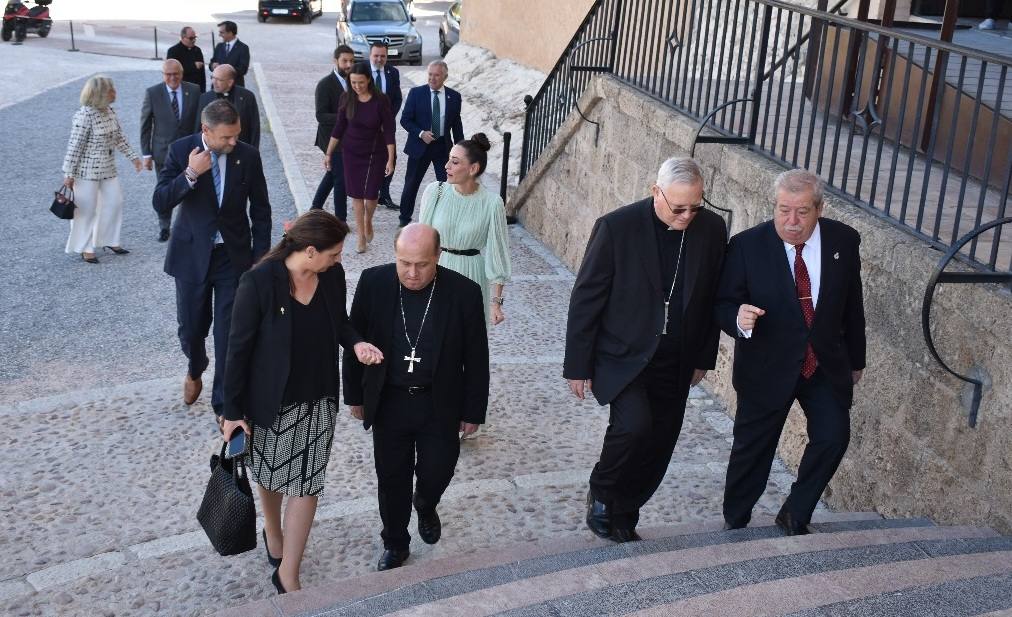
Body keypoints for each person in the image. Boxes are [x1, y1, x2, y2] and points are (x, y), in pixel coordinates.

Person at [564, 157, 727, 543]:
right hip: (623, 354)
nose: (688, 215)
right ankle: (603, 491)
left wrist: (703, 357)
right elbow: (586, 298)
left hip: (677, 357)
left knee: (660, 440)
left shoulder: (711, 229)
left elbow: (711, 297)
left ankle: (626, 508)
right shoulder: (616, 227)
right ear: (656, 192)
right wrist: (577, 364)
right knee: (634, 426)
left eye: (696, 206)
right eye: (679, 207)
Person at [222, 210, 384, 594]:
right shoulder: (258, 282)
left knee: (307, 484)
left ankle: (287, 574)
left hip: (319, 398)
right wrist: (231, 412)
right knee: (271, 473)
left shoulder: (331, 277)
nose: (338, 260)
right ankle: (273, 532)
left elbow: (340, 322)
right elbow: (237, 350)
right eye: (334, 253)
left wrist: (357, 343)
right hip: (270, 402)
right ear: (310, 251)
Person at [716, 168, 866, 536]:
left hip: (823, 365)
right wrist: (738, 316)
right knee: (753, 451)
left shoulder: (843, 242)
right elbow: (722, 302)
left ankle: (795, 513)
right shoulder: (746, 246)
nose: (792, 221)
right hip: (767, 365)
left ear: (819, 209)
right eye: (783, 210)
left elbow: (853, 305)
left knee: (833, 437)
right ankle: (735, 521)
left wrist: (856, 361)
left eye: (801, 211)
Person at [343, 224, 489, 571]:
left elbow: (477, 356)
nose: (412, 272)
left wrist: (473, 410)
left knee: (438, 470)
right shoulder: (373, 282)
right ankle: (395, 541)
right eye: (404, 262)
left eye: (421, 264)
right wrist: (354, 395)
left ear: (437, 256)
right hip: (389, 401)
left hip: (439, 402)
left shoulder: (464, 292)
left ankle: (425, 501)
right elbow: (354, 341)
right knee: (391, 477)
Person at [153, 99, 272, 425]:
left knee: (229, 334)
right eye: (226, 137)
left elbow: (261, 210)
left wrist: (260, 258)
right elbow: (160, 200)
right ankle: (195, 366)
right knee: (192, 330)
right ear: (206, 130)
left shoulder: (247, 156)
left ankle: (225, 406)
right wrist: (191, 174)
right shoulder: (181, 151)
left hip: (232, 259)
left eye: (237, 135)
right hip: (191, 256)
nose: (233, 143)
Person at [419, 133, 511, 326]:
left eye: (455, 162)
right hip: (437, 272)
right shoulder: (435, 192)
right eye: (448, 160)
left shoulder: (492, 204)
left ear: (473, 168)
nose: (447, 166)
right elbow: (421, 242)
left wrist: (496, 303)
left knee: (467, 344)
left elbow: (497, 253)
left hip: (472, 277)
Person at [61, 75, 143, 264]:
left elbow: (119, 138)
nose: (115, 92)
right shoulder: (84, 115)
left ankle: (109, 240)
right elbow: (75, 146)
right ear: (99, 93)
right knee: (86, 210)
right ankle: (85, 247)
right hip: (85, 173)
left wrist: (134, 158)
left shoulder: (110, 111)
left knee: (115, 202)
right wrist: (68, 174)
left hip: (108, 169)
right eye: (111, 90)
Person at [323, 62, 396, 254]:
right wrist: (329, 153)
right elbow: (339, 127)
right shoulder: (347, 98)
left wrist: (391, 158)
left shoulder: (381, 100)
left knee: (371, 195)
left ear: (369, 80)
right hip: (351, 153)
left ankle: (368, 221)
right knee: (356, 196)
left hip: (375, 152)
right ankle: (361, 236)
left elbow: (389, 130)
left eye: (360, 82)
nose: (357, 86)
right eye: (353, 82)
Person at [397, 60, 464, 227]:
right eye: (430, 75)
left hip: (442, 147)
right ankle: (404, 219)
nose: (432, 78)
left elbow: (456, 125)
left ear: (445, 76)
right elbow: (405, 120)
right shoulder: (416, 93)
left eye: (437, 75)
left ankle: (446, 218)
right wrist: (420, 133)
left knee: (447, 185)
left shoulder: (454, 97)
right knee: (412, 183)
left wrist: (461, 150)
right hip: (420, 146)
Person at [141, 59, 200, 242]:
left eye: (176, 74)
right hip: (162, 153)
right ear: (163, 74)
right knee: (165, 190)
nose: (173, 78)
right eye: (168, 74)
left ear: (182, 74)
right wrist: (147, 154)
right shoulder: (153, 93)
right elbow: (145, 125)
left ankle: (190, 226)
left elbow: (199, 121)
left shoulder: (194, 90)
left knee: (193, 189)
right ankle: (164, 227)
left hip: (191, 152)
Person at [311, 45, 355, 218]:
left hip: (349, 139)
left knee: (333, 173)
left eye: (351, 61)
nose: (348, 64)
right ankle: (340, 220)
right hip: (330, 139)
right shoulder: (324, 84)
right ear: (335, 61)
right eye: (344, 61)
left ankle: (315, 207)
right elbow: (320, 116)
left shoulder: (355, 81)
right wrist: (345, 118)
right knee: (340, 179)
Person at [368, 41, 402, 210]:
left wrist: (387, 119)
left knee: (391, 158)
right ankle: (366, 194)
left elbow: (397, 99)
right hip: (365, 127)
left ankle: (385, 194)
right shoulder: (361, 71)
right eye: (376, 56)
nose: (379, 59)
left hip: (386, 127)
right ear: (370, 55)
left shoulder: (393, 72)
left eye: (383, 56)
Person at [195, 64, 260, 149]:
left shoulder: (247, 97)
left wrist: (254, 152)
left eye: (219, 80)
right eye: (213, 78)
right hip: (214, 150)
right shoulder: (205, 98)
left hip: (240, 149)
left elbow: (254, 127)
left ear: (230, 82)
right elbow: (198, 128)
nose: (214, 82)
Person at [210, 21, 250, 87]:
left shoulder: (243, 48)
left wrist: (224, 69)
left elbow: (243, 70)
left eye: (222, 32)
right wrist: (212, 65)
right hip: (217, 87)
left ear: (230, 33)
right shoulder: (219, 46)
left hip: (235, 87)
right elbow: (212, 62)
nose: (219, 35)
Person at [166, 26, 206, 92]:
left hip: (196, 89)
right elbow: (173, 72)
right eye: (191, 38)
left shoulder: (197, 50)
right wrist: (193, 66)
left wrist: (202, 91)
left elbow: (202, 75)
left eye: (195, 38)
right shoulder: (173, 51)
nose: (194, 40)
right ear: (182, 38)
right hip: (181, 89)